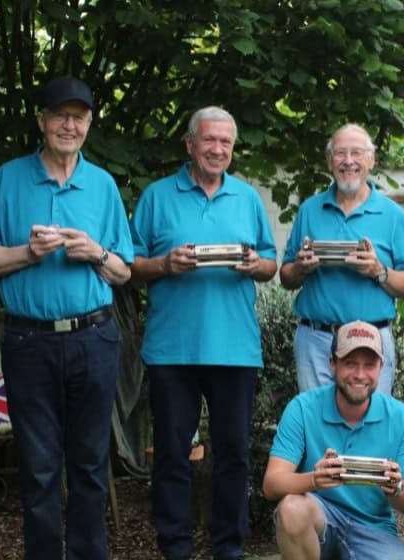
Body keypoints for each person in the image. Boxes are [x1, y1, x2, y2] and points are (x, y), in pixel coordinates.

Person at [0, 75, 133, 560]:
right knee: (39, 468)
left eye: (78, 116)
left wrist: (96, 252)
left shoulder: (101, 185)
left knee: (89, 464)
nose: (69, 124)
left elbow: (123, 271)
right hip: (29, 342)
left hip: (94, 338)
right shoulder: (10, 178)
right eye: (60, 115)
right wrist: (27, 253)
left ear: (89, 124)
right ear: (41, 121)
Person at [129, 106, 278, 560]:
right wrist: (163, 265)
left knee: (233, 455)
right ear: (190, 144)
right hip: (173, 349)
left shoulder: (247, 198)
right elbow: (127, 267)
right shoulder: (157, 197)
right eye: (209, 140)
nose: (217, 150)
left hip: (235, 349)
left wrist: (257, 265)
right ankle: (174, 547)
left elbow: (272, 263)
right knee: (172, 455)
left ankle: (227, 548)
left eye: (226, 143)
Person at [280, 124, 404, 395]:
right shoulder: (310, 209)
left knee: (371, 427)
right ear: (330, 161)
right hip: (316, 341)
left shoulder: (393, 215)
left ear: (371, 160)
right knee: (318, 427)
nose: (348, 161)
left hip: (371, 340)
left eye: (357, 152)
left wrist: (378, 271)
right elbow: (286, 277)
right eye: (340, 153)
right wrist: (300, 268)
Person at [263, 321, 404, 560]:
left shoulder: (401, 417)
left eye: (369, 365)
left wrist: (395, 487)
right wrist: (314, 479)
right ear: (333, 365)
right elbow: (272, 484)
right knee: (292, 508)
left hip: (373, 529)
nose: (359, 375)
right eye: (350, 364)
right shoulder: (302, 408)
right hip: (320, 519)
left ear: (381, 367)